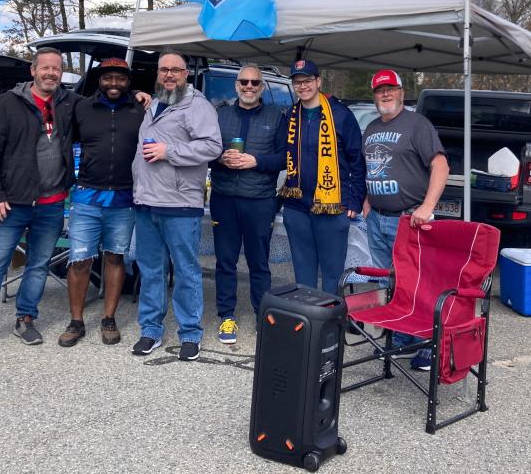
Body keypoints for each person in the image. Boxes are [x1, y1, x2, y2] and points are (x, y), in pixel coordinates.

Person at [0, 47, 77, 358]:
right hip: (13, 203)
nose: (51, 73)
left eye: (56, 69)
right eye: (45, 67)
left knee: (37, 265)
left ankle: (25, 319)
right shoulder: (11, 102)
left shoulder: (68, 103)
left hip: (52, 203)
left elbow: (103, 107)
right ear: (33, 71)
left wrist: (139, 97)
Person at [131, 51, 222, 362]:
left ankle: (190, 333)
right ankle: (151, 330)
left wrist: (169, 151)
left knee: (185, 270)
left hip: (180, 203)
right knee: (151, 270)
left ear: (186, 74)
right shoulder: (155, 104)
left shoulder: (199, 105)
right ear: (157, 74)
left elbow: (212, 146)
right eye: (163, 70)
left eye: (176, 70)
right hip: (146, 202)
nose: (169, 75)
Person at [361, 68, 449, 371]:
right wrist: (368, 200)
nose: (385, 94)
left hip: (409, 218)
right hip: (378, 219)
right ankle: (401, 339)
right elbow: (373, 167)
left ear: (401, 91)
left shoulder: (417, 124)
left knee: (419, 284)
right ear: (374, 95)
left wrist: (427, 206)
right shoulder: (371, 128)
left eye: (391, 89)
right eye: (379, 90)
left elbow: (440, 165)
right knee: (391, 282)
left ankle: (428, 345)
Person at [57, 58, 144, 348]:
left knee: (115, 257)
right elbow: (61, 141)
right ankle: (76, 321)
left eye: (121, 78)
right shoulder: (81, 108)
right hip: (86, 197)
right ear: (99, 80)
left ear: (128, 81)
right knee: (79, 260)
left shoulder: (139, 109)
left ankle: (109, 318)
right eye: (109, 78)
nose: (114, 84)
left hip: (124, 197)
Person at [209, 65, 286, 344]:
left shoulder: (276, 117)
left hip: (259, 200)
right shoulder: (220, 115)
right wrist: (220, 158)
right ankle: (226, 317)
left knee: (259, 263)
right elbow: (205, 151)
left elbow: (284, 159)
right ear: (236, 85)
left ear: (262, 86)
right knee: (225, 262)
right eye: (244, 82)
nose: (249, 86)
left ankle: (262, 316)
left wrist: (257, 161)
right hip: (224, 198)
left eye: (255, 82)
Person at [280, 60, 365, 294]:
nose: (303, 86)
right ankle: (308, 327)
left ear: (318, 81)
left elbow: (356, 160)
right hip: (297, 207)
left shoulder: (341, 115)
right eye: (297, 82)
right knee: (303, 275)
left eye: (307, 80)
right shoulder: (290, 116)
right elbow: (282, 156)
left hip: (333, 206)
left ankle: (330, 328)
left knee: (331, 275)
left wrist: (355, 200)